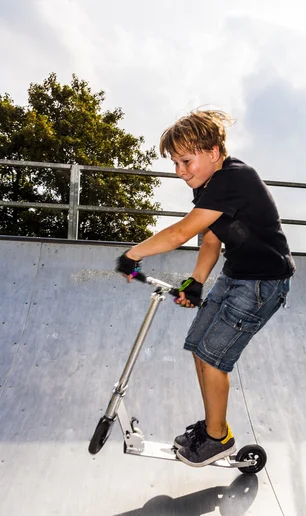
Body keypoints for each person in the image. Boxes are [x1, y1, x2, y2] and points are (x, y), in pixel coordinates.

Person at [116, 109, 295, 468]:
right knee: (199, 347)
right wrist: (196, 282)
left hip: (263, 284)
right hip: (236, 276)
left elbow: (180, 233)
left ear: (213, 151)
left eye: (185, 161)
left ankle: (217, 439)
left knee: (214, 357)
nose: (179, 172)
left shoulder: (235, 178)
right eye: (174, 163)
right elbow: (210, 239)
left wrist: (131, 255)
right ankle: (216, 427)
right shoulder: (210, 188)